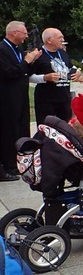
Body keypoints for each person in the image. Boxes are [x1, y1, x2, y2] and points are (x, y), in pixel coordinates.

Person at [0, 21, 41, 181]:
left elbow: (24, 72)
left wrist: (33, 60)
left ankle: (18, 163)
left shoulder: (17, 49)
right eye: (24, 33)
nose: (25, 37)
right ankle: (8, 165)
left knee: (21, 129)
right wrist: (26, 61)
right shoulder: (2, 50)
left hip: (21, 95)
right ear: (14, 33)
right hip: (7, 97)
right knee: (9, 131)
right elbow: (9, 72)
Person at [31, 28, 83, 126]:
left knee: (65, 128)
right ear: (49, 40)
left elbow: (71, 67)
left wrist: (78, 72)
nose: (63, 40)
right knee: (46, 129)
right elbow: (29, 76)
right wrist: (45, 77)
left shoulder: (62, 52)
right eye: (60, 37)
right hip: (46, 100)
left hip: (64, 98)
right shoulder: (38, 54)